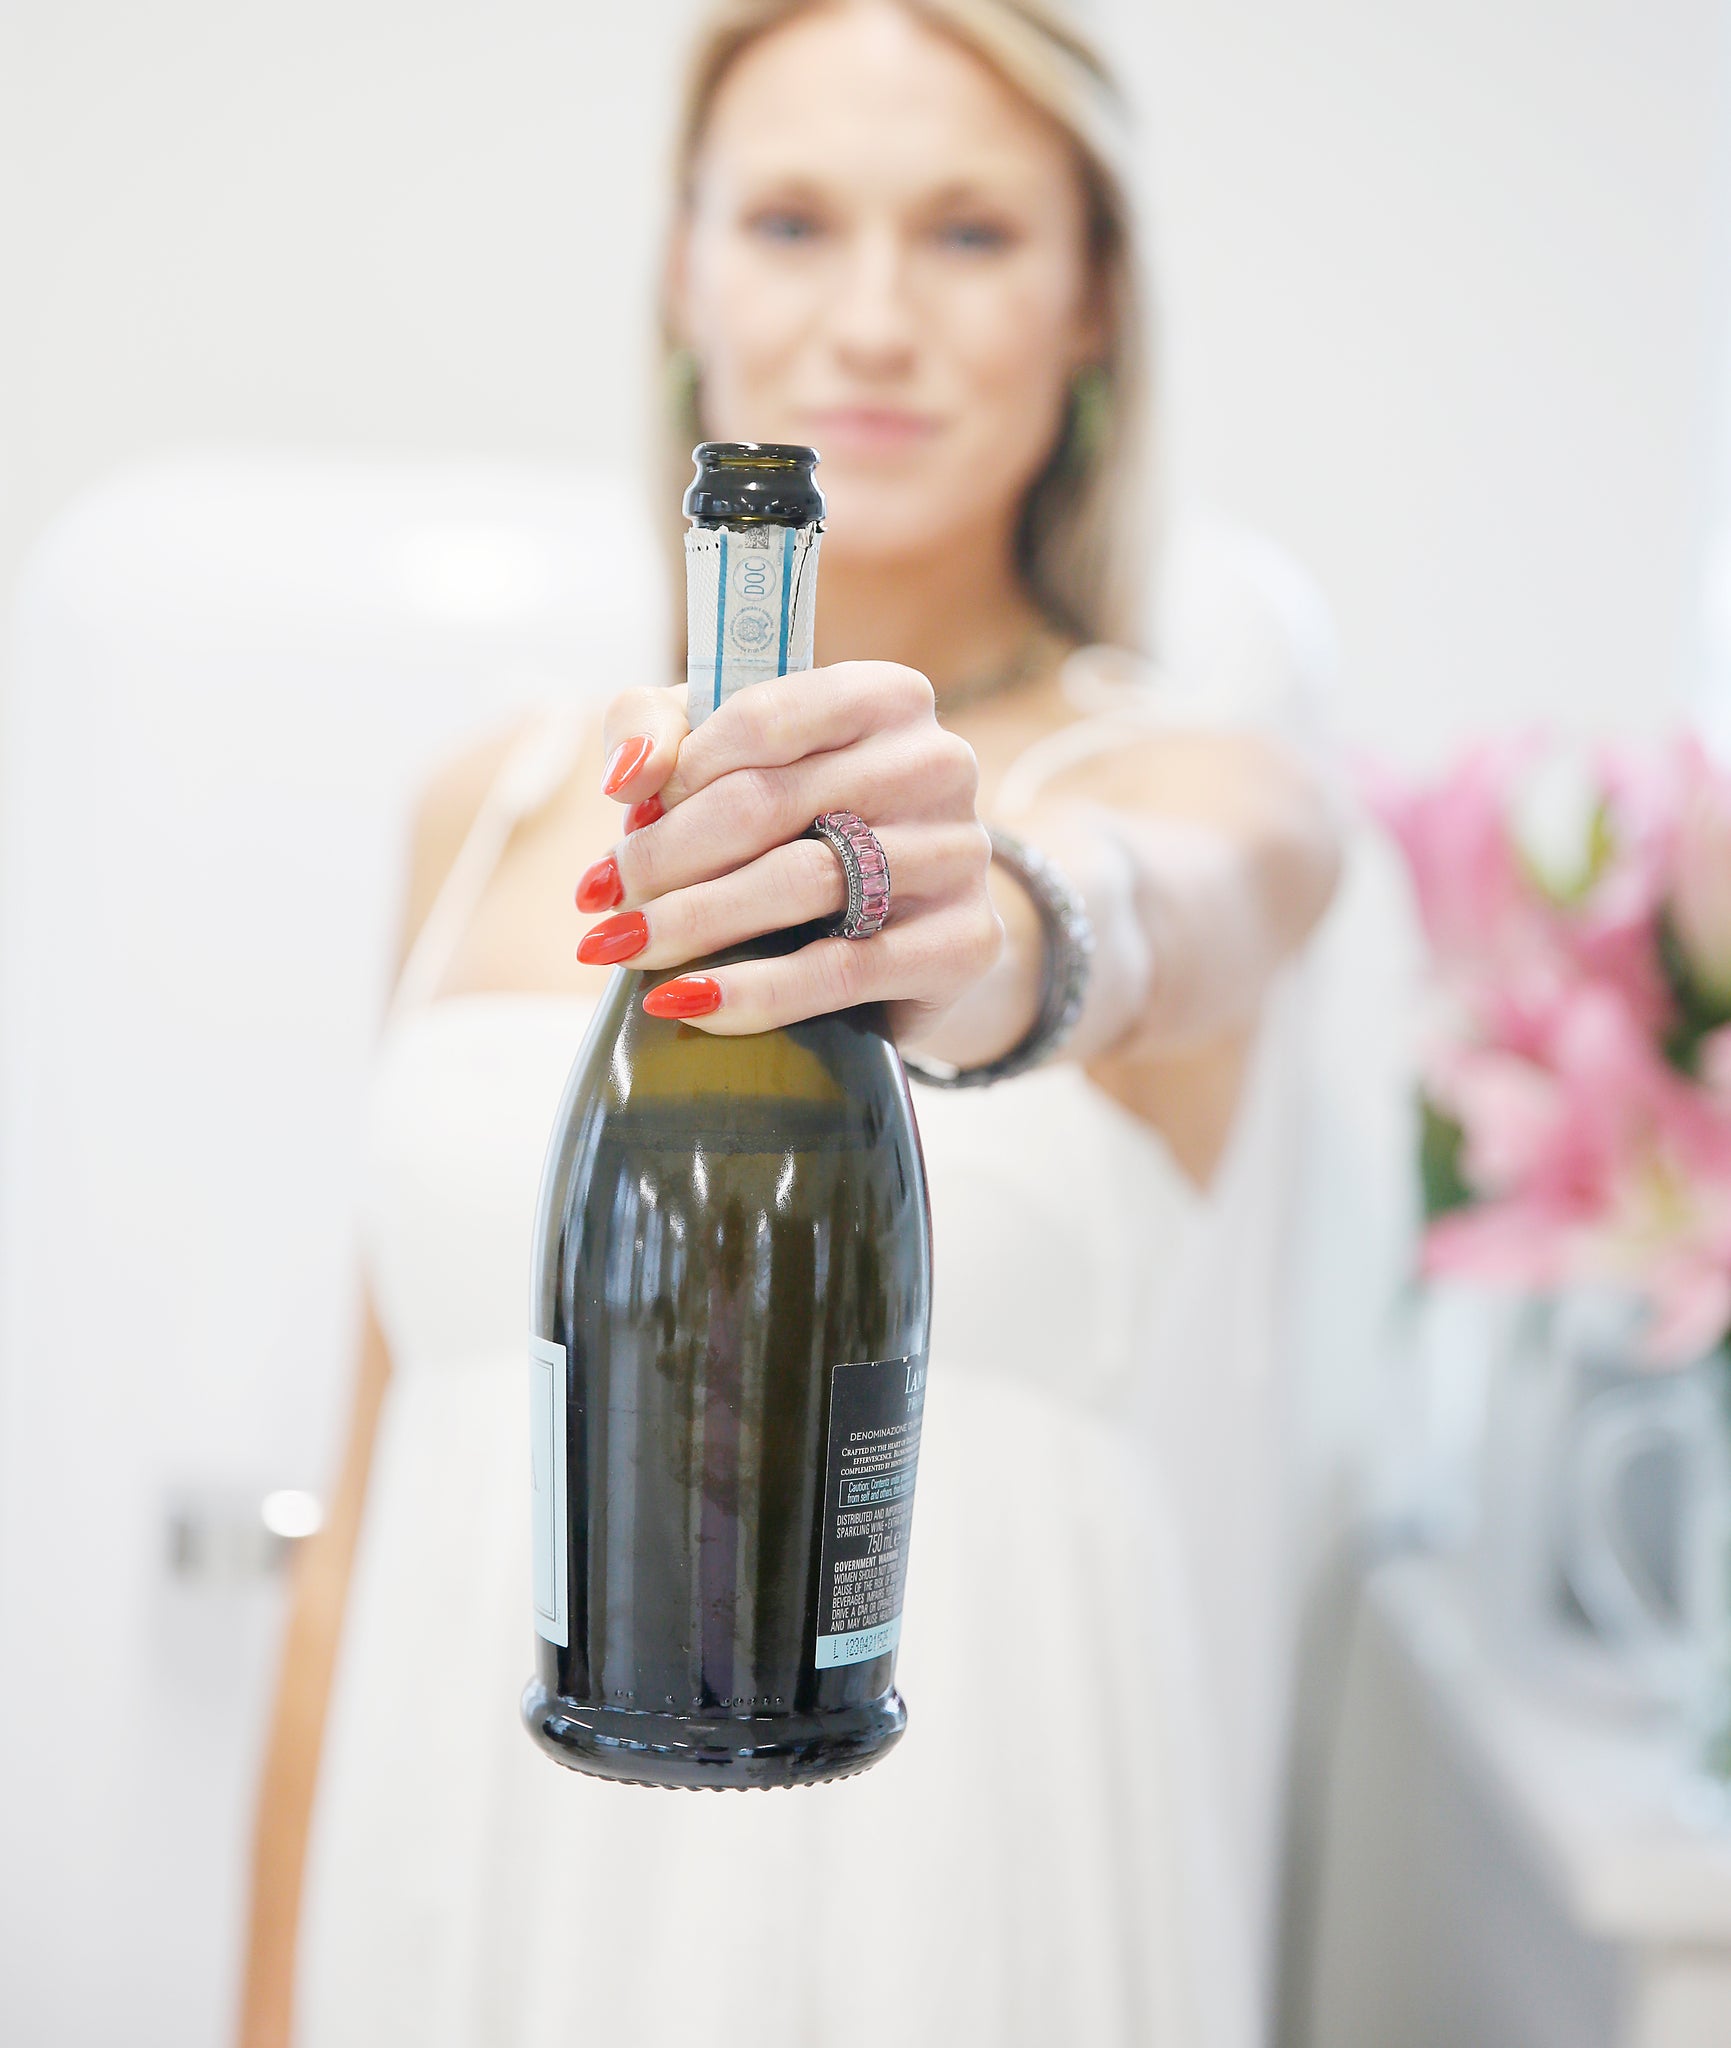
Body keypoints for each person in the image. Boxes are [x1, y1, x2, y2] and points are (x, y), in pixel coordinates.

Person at [239, 2, 1341, 2042]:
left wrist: (990, 926)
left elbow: (1148, 914)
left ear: (1095, 298)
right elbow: (351, 1528)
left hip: (950, 1907)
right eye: (789, 223)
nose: (872, 320)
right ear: (684, 269)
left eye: (970, 234)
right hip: (461, 1879)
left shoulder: (1205, 788)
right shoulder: (485, 806)